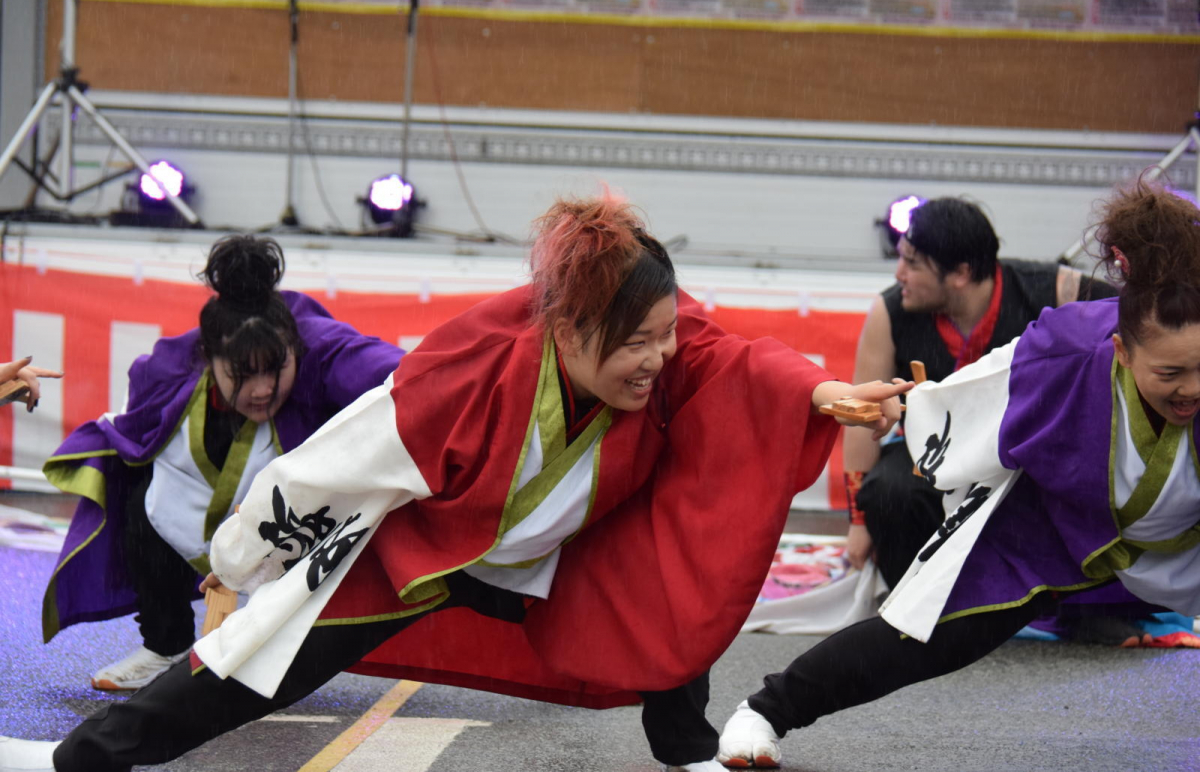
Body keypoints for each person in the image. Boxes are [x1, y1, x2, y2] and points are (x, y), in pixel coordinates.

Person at [0, 195, 909, 772]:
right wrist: (239, 562)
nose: (660, 357)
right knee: (256, 665)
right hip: (420, 550)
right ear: (573, 326)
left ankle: (689, 755)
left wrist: (825, 391)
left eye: (666, 334)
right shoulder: (469, 370)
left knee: (672, 586)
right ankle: (81, 761)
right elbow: (336, 460)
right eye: (639, 341)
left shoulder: (664, 352)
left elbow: (737, 357)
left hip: (553, 558)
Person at [717, 181, 1200, 769]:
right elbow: (978, 389)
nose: (1190, 388)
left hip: (1182, 540)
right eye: (1171, 371)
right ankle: (764, 711)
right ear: (1122, 350)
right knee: (923, 631)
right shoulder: (1068, 349)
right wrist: (907, 408)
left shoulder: (1048, 286)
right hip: (1049, 525)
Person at [39, 236, 404, 692]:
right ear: (209, 362)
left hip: (301, 520)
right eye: (243, 374)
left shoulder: (323, 348)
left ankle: (272, 649)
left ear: (294, 349)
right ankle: (165, 645)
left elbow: (410, 373)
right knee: (136, 499)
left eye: (275, 368)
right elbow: (135, 418)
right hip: (200, 506)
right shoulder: (173, 367)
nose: (262, 389)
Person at [845, 197, 1115, 589]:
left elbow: (1141, 330)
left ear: (961, 273)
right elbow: (859, 417)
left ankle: (1076, 608)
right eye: (900, 258)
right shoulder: (890, 312)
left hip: (1024, 453)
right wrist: (857, 522)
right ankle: (918, 608)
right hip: (934, 451)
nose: (899, 273)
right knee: (888, 493)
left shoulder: (1055, 290)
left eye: (913, 263)